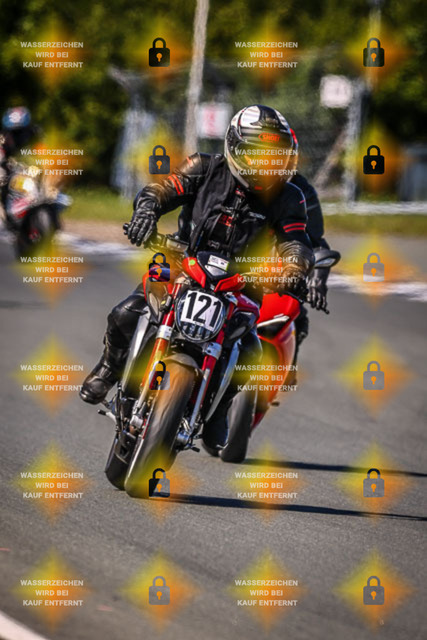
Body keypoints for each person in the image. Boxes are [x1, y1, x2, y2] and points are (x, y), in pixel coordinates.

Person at [80, 105, 315, 449]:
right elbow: (161, 191)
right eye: (258, 154)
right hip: (182, 264)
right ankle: (108, 368)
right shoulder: (202, 167)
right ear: (235, 146)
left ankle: (218, 412)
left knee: (251, 355)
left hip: (242, 285)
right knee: (124, 313)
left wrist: (294, 268)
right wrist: (146, 212)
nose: (266, 163)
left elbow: (297, 240)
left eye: (274, 156)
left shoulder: (289, 196)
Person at [0, 107, 35, 214]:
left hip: (32, 175)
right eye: (13, 133)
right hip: (10, 175)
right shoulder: (2, 142)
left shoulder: (36, 137)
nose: (17, 137)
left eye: (21, 132)